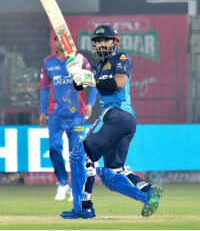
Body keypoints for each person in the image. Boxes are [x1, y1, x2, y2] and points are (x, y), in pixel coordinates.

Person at [60, 25, 163, 219]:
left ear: (115, 42)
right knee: (111, 172)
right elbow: (79, 85)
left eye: (105, 41)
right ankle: (147, 192)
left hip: (116, 114)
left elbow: (119, 82)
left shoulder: (121, 59)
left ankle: (83, 207)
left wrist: (91, 79)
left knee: (79, 156)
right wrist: (74, 71)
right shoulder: (98, 67)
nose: (101, 44)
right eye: (98, 41)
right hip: (123, 121)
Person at [40, 35, 97, 201]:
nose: (61, 42)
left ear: (69, 42)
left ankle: (76, 189)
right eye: (58, 39)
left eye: (64, 39)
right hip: (56, 115)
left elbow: (92, 81)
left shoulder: (79, 60)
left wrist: (91, 104)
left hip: (76, 116)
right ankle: (63, 183)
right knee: (53, 148)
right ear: (54, 43)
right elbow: (44, 88)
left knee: (76, 154)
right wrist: (43, 111)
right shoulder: (48, 63)